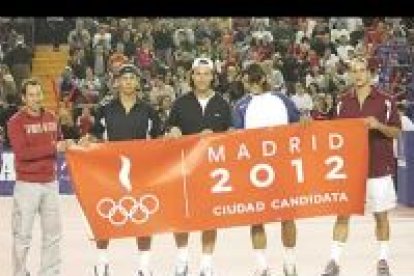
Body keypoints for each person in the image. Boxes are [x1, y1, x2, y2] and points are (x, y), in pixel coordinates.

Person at [78, 64, 161, 276]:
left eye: (132, 78)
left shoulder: (149, 110)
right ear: (117, 83)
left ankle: (143, 266)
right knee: (105, 215)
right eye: (124, 79)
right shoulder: (106, 109)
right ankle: (102, 263)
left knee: (143, 216)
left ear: (138, 83)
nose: (128, 82)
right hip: (110, 171)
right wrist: (88, 140)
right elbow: (96, 136)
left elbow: (160, 139)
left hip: (141, 172)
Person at [320, 57, 401, 276]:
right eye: (354, 71)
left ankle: (383, 261)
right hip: (349, 170)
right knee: (342, 215)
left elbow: (396, 131)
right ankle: (334, 262)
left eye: (362, 70)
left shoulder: (386, 100)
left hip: (377, 167)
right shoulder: (342, 101)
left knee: (380, 216)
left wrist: (378, 125)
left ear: (370, 73)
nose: (357, 75)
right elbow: (333, 132)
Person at [232, 63, 300, 276]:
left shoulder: (283, 100)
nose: (248, 84)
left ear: (262, 79)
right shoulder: (240, 106)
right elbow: (236, 136)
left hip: (282, 166)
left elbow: (299, 127)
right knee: (256, 217)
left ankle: (290, 263)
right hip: (254, 169)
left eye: (251, 79)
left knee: (288, 216)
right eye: (245, 80)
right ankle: (262, 266)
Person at [167, 57, 232, 276]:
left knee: (209, 217)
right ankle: (182, 259)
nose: (202, 78)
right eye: (198, 73)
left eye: (206, 73)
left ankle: (206, 263)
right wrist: (173, 131)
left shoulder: (223, 104)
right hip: (184, 170)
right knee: (181, 216)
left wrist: (218, 137)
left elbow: (232, 136)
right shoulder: (180, 103)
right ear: (192, 76)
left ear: (213, 77)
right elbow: (169, 130)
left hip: (213, 172)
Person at [7, 78, 74, 276]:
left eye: (38, 94)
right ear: (24, 98)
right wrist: (54, 148)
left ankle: (50, 272)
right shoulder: (15, 122)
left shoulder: (52, 117)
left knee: (53, 235)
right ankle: (19, 273)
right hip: (27, 185)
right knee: (22, 235)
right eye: (32, 95)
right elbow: (22, 153)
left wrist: (69, 140)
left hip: (50, 183)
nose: (36, 99)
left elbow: (60, 143)